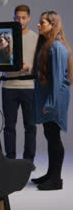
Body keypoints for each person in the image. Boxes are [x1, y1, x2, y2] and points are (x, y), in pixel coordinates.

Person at [31, 11, 73, 190]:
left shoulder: (57, 47)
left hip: (55, 98)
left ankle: (56, 180)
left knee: (54, 137)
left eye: (43, 23)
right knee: (50, 135)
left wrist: (50, 103)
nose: (38, 25)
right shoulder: (46, 45)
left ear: (52, 24)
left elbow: (56, 81)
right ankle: (51, 174)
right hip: (50, 97)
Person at [2, 5, 38, 165]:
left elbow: (39, 63)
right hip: (9, 86)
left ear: (29, 18)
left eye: (23, 17)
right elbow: (1, 62)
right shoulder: (7, 37)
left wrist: (28, 67)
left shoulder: (35, 38)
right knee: (9, 126)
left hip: (29, 87)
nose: (20, 20)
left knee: (30, 126)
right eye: (17, 17)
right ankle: (10, 160)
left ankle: (28, 161)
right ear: (14, 17)